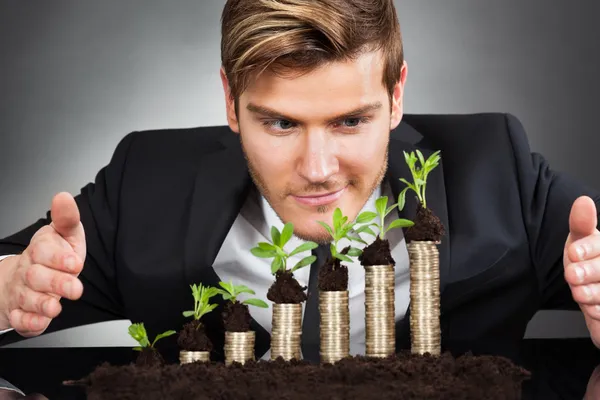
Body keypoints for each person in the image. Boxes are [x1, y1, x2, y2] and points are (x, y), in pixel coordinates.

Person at [0, 0, 599, 364]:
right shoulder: (146, 184)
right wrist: (8, 291)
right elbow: (21, 275)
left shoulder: (497, 167)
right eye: (281, 123)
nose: (317, 169)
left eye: (351, 121)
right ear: (232, 104)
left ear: (396, 97)